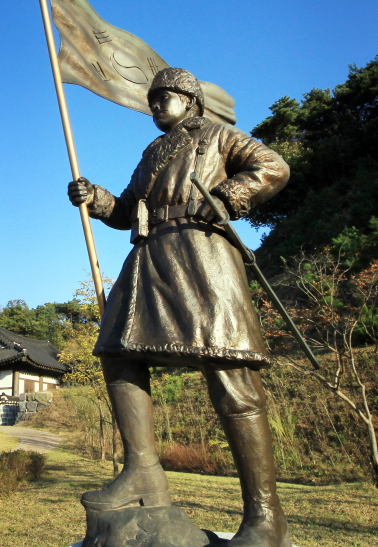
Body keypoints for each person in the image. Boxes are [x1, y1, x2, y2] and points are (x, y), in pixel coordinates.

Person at [67, 68, 291, 547]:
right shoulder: (151, 152)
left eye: (165, 97)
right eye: (152, 100)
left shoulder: (219, 135)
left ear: (191, 100)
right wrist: (96, 197)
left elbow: (273, 166)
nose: (156, 105)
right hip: (150, 254)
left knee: (230, 374)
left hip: (202, 254)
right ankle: (144, 472)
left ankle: (265, 520)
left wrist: (232, 194)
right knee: (117, 351)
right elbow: (128, 209)